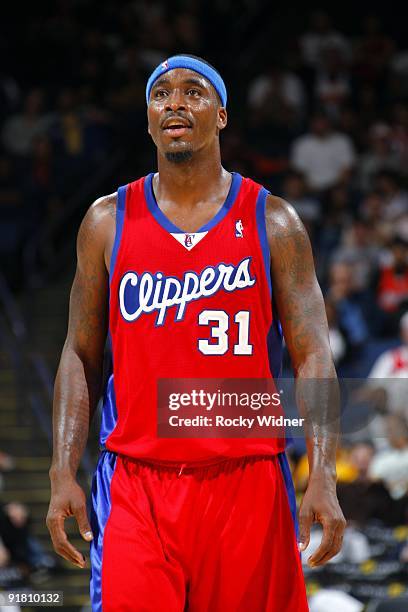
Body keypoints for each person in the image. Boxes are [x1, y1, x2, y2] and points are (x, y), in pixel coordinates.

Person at [46, 54, 345, 611]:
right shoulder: (106, 221)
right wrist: (63, 466)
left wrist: (323, 473)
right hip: (138, 483)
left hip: (248, 479)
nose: (175, 103)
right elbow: (78, 353)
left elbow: (314, 357)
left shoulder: (274, 221)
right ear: (149, 119)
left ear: (223, 115)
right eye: (161, 94)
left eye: (193, 92)